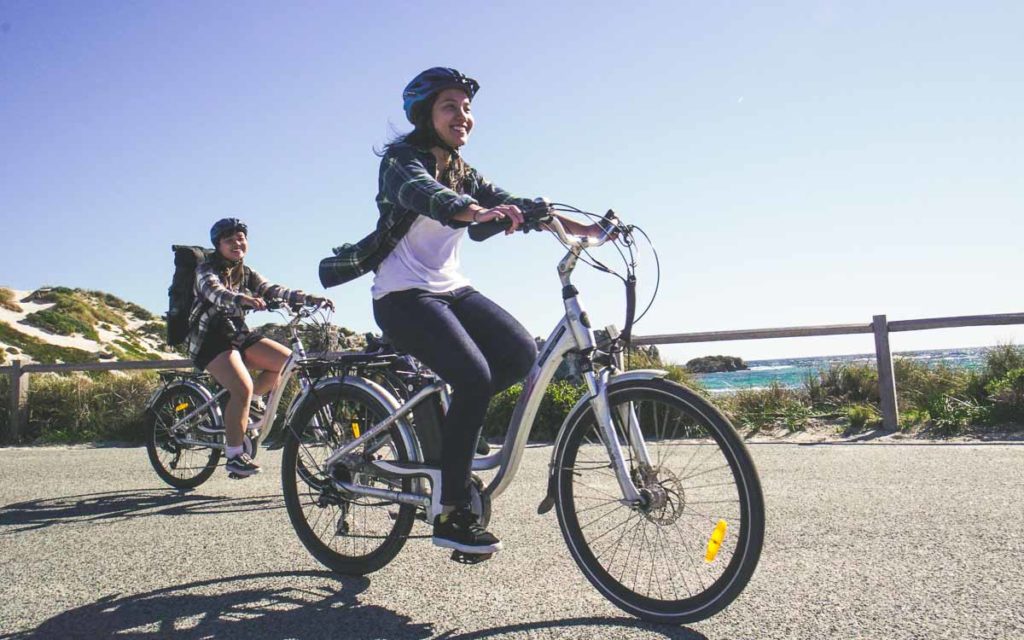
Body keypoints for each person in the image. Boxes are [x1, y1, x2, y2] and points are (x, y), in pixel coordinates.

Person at [365, 68, 608, 555]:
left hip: (450, 287)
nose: (463, 116)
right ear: (425, 115)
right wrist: (475, 211)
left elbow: (508, 202)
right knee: (474, 377)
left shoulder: (463, 170)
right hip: (401, 295)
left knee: (520, 355)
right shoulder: (400, 161)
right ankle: (451, 512)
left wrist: (585, 228)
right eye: (449, 106)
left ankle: (455, 430)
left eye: (467, 107)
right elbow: (428, 196)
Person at [188, 218, 332, 478]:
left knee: (289, 362)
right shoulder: (205, 270)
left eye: (241, 238)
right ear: (218, 245)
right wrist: (242, 299)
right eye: (229, 240)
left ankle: (250, 402)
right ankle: (234, 455)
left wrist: (308, 298)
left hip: (237, 333)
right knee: (240, 388)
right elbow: (216, 293)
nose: (237, 243)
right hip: (210, 339)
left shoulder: (246, 271)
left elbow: (272, 289)